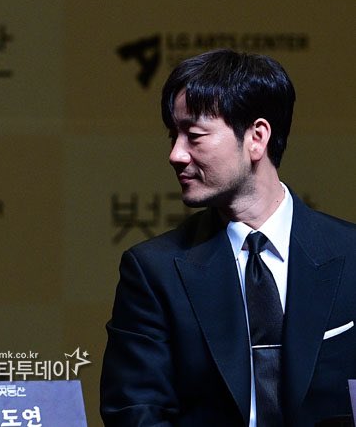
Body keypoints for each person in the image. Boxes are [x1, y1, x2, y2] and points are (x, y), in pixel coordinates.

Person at [100, 49, 356, 426]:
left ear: (256, 137)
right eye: (173, 136)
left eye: (194, 135)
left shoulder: (349, 254)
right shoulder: (153, 270)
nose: (175, 154)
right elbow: (136, 410)